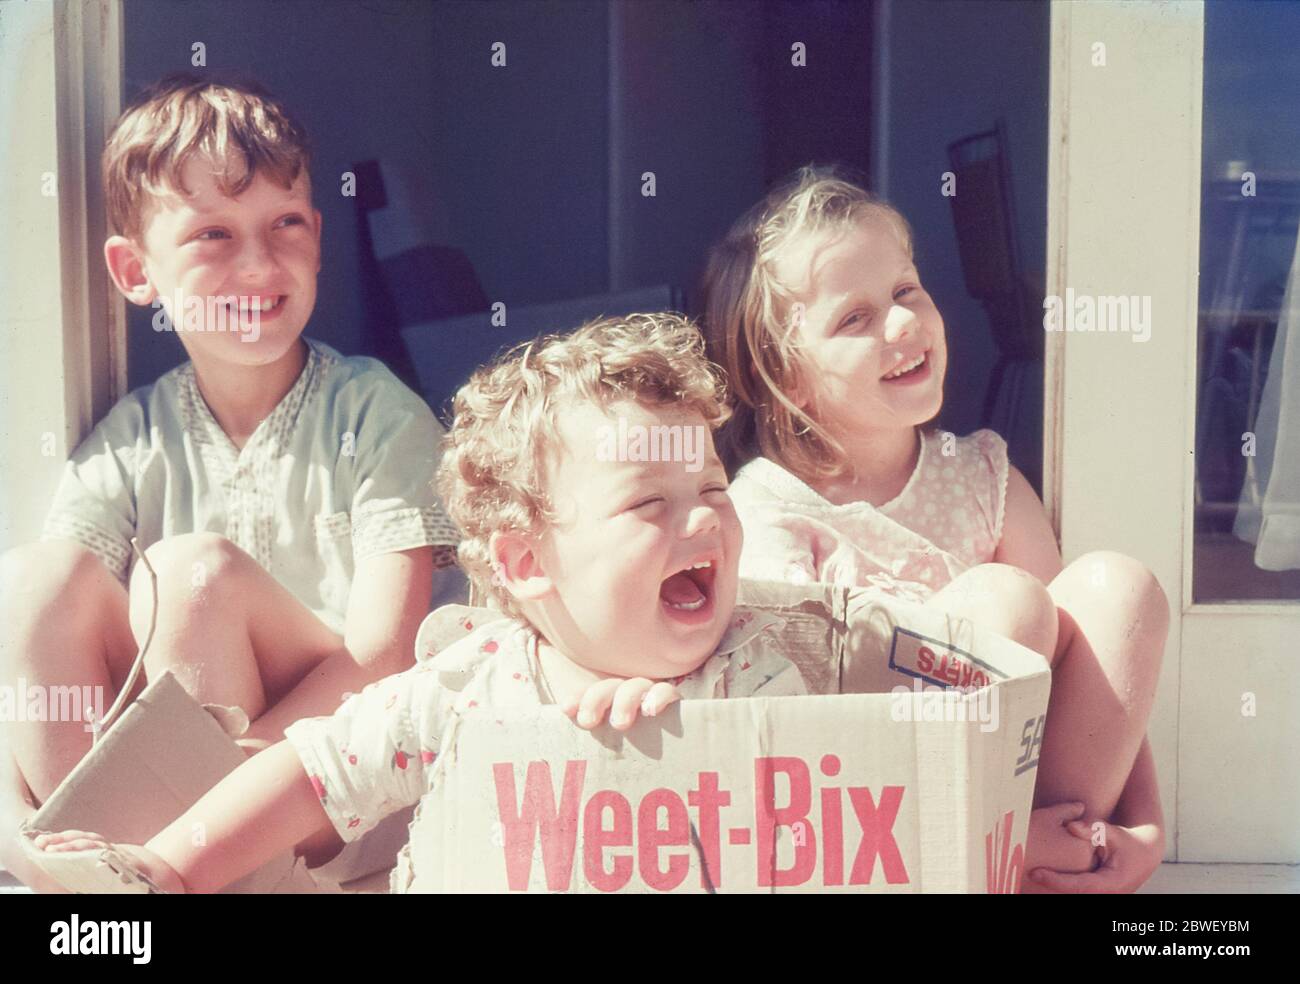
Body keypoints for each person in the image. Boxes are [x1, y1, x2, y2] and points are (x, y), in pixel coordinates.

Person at [35, 313, 806, 893]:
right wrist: (166, 865)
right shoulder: (474, 686)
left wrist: (685, 736)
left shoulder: (767, 671)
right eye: (649, 505)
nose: (703, 518)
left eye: (713, 489)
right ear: (527, 562)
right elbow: (312, 770)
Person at [0, 75, 461, 891]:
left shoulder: (379, 415)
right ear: (136, 271)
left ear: (317, 238)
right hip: (161, 804)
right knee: (33, 577)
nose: (259, 260)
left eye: (285, 223)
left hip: (327, 784)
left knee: (193, 575)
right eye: (213, 234)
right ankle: (89, 858)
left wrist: (228, 786)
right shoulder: (131, 441)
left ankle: (185, 862)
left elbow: (384, 658)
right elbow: (54, 627)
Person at [699, 166, 1169, 893]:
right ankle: (997, 851)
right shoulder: (767, 510)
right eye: (855, 319)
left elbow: (1087, 675)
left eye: (905, 290)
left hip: (1023, 800)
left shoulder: (981, 475)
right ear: (785, 378)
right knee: (1004, 605)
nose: (903, 323)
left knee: (1118, 588)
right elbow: (801, 737)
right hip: (882, 829)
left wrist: (1145, 822)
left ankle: (1056, 849)